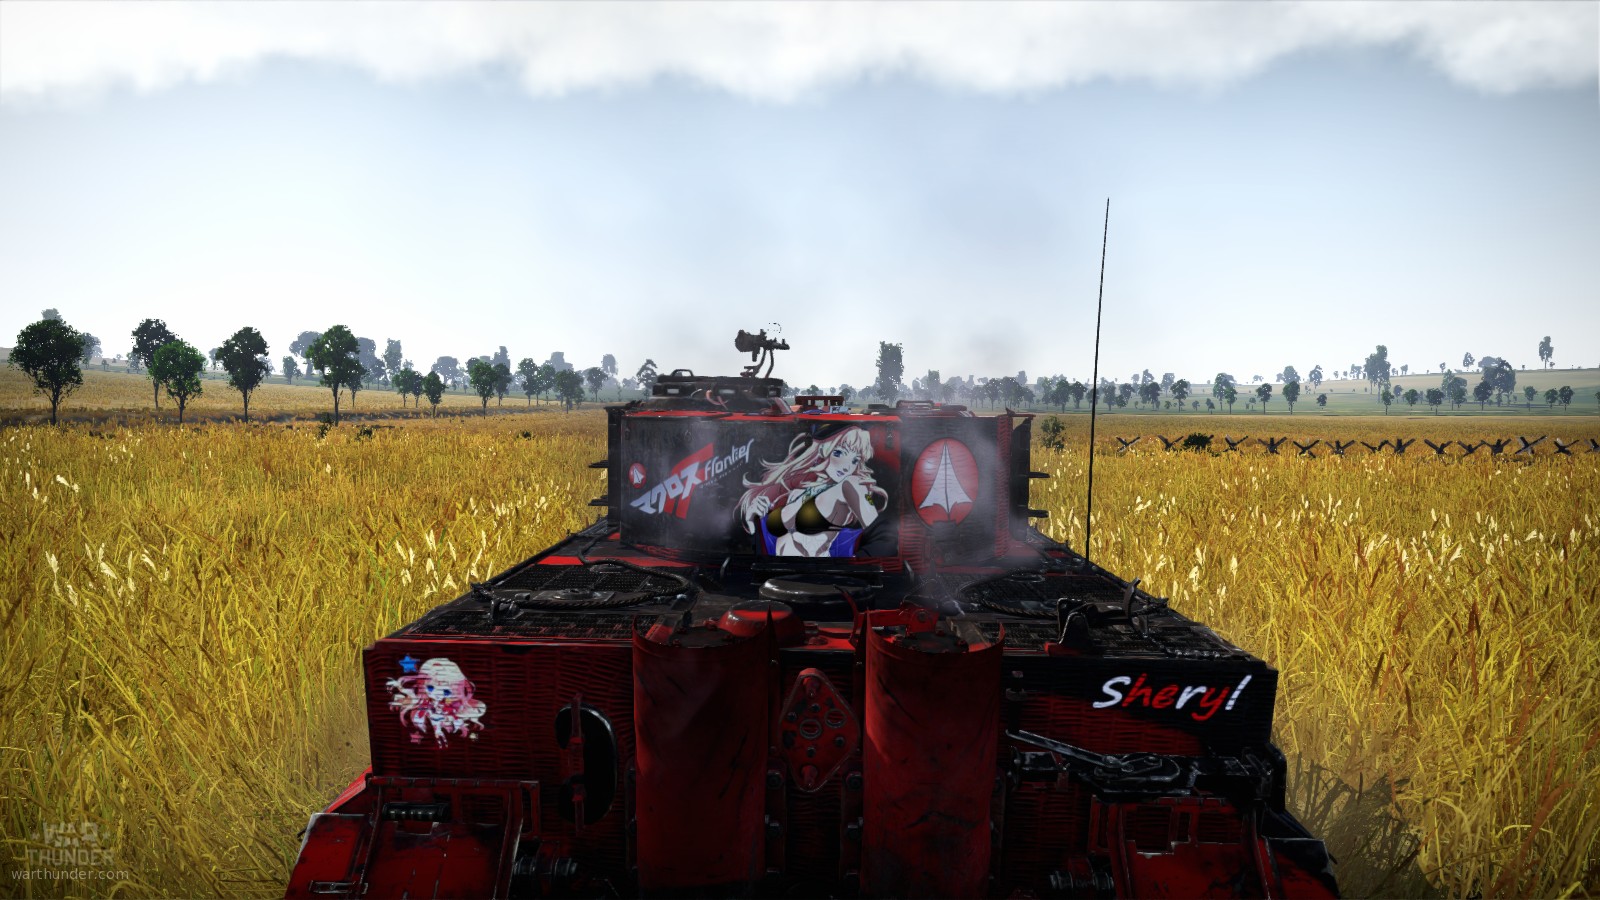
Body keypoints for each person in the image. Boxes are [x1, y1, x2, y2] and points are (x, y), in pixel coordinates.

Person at [737, 425, 888, 557]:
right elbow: (762, 545)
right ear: (823, 450)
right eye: (839, 453)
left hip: (816, 574)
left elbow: (883, 535)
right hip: (779, 572)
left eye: (855, 460)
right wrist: (751, 521)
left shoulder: (851, 485)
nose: (847, 466)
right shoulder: (801, 491)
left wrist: (856, 563)